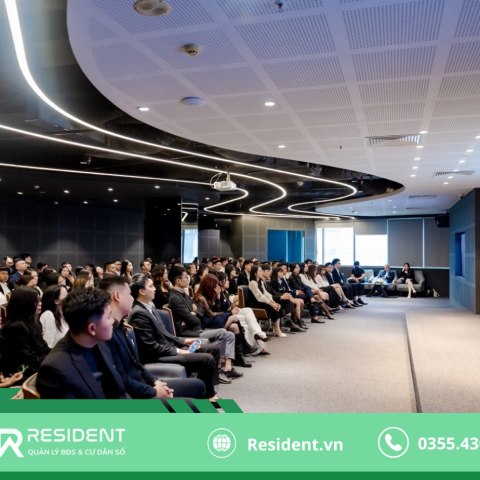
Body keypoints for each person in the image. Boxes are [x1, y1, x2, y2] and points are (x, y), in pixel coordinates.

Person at [98, 276, 209, 404]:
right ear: (117, 296)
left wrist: (155, 381)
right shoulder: (107, 334)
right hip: (135, 397)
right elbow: (122, 381)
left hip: (144, 385)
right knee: (193, 404)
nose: (132, 298)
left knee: (198, 385)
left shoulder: (119, 327)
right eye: (129, 294)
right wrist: (154, 391)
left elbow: (136, 364)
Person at [128, 273, 228, 392]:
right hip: (159, 356)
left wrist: (184, 341)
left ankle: (208, 389)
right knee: (207, 358)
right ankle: (208, 394)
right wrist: (178, 350)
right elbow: (151, 347)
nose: (155, 289)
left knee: (213, 349)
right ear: (142, 291)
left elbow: (166, 334)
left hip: (168, 348)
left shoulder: (149, 308)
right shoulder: (139, 313)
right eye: (151, 286)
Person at [37, 288, 128, 399]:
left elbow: (118, 391)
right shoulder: (55, 370)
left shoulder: (100, 344)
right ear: (92, 329)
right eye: (109, 317)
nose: (113, 321)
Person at [167, 266, 241, 381]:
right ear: (178, 280)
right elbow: (195, 320)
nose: (188, 279)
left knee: (230, 335)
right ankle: (217, 370)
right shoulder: (175, 298)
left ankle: (228, 369)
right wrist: (194, 313)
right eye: (186, 277)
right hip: (189, 333)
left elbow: (199, 311)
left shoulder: (183, 294)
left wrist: (194, 312)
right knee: (223, 332)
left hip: (196, 328)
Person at [194, 274, 255, 367]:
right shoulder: (201, 297)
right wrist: (226, 313)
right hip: (206, 322)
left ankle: (239, 356)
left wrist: (218, 297)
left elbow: (217, 309)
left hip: (214, 319)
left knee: (234, 326)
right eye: (215, 285)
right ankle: (245, 347)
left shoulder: (210, 294)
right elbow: (210, 314)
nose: (217, 287)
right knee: (233, 317)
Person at [0, 287, 50, 380]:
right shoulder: (15, 328)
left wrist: (58, 354)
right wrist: (54, 361)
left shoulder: (34, 321)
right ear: (25, 304)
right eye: (36, 301)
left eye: (39, 300)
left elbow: (43, 347)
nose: (40, 303)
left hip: (36, 367)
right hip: (22, 374)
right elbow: (28, 358)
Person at [217, 272, 269, 356]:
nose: (228, 281)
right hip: (226, 316)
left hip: (230, 313)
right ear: (220, 282)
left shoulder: (225, 292)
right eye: (226, 280)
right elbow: (219, 310)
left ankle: (258, 335)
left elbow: (228, 306)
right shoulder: (218, 294)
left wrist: (234, 308)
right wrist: (231, 312)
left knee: (248, 310)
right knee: (247, 324)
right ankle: (257, 344)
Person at [264, 265, 307, 331]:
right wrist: (283, 296)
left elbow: (281, 291)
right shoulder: (273, 281)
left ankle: (294, 321)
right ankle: (295, 321)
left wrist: (286, 295)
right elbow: (273, 293)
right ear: (276, 273)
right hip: (272, 300)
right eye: (280, 272)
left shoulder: (281, 280)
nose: (282, 273)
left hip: (280, 297)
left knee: (298, 300)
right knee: (292, 301)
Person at [248, 265, 285, 337]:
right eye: (260, 271)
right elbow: (260, 297)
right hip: (255, 303)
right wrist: (272, 305)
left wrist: (274, 303)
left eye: (262, 270)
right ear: (255, 273)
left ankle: (277, 329)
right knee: (273, 308)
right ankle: (277, 330)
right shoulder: (252, 283)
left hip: (261, 302)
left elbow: (266, 294)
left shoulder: (260, 282)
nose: (261, 272)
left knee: (277, 306)